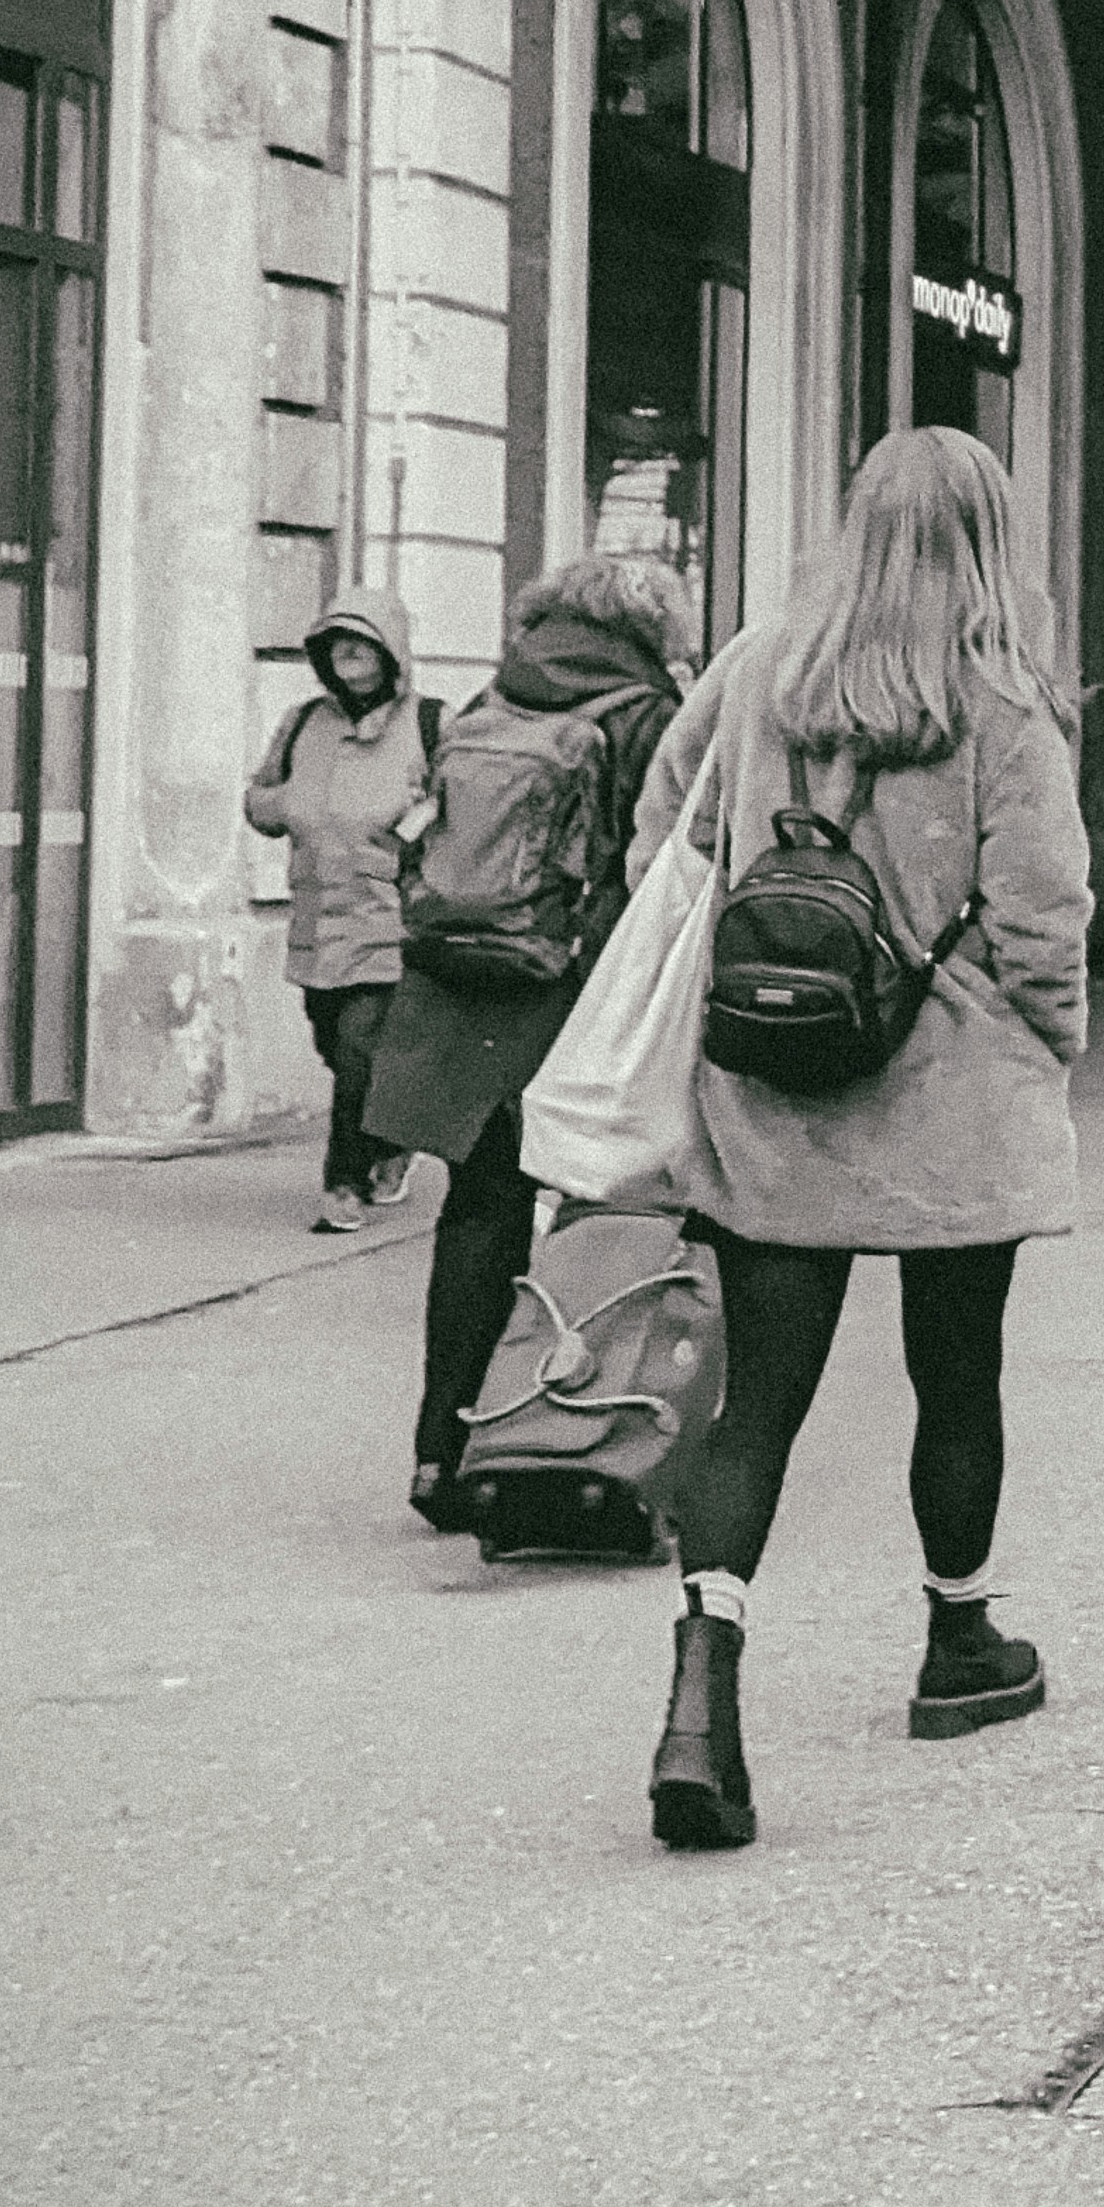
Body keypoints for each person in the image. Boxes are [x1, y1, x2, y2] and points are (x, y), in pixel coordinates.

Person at [617, 424, 1094, 1858]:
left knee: (758, 1401)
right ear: (990, 540)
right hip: (954, 1092)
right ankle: (959, 1645)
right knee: (958, 1373)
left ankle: (704, 1689)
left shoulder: (758, 668)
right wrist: (1048, 1040)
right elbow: (1042, 910)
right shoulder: (1000, 702)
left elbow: (664, 838)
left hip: (775, 1079)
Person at [363, 549, 695, 1537]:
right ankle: (571, 1440)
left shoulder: (486, 701)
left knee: (478, 1215)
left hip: (465, 991)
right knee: (608, 1221)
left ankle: (441, 1450)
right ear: (651, 628)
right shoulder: (645, 714)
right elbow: (669, 867)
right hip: (575, 997)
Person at [241, 587, 433, 1228]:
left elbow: (456, 806)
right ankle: (390, 1141)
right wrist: (286, 804)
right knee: (333, 1043)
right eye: (334, 646)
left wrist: (406, 831)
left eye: (361, 643)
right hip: (316, 917)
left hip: (389, 918)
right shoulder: (301, 722)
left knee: (358, 1052)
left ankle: (344, 1187)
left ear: (390, 652)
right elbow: (259, 802)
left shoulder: (430, 723)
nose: (347, 655)